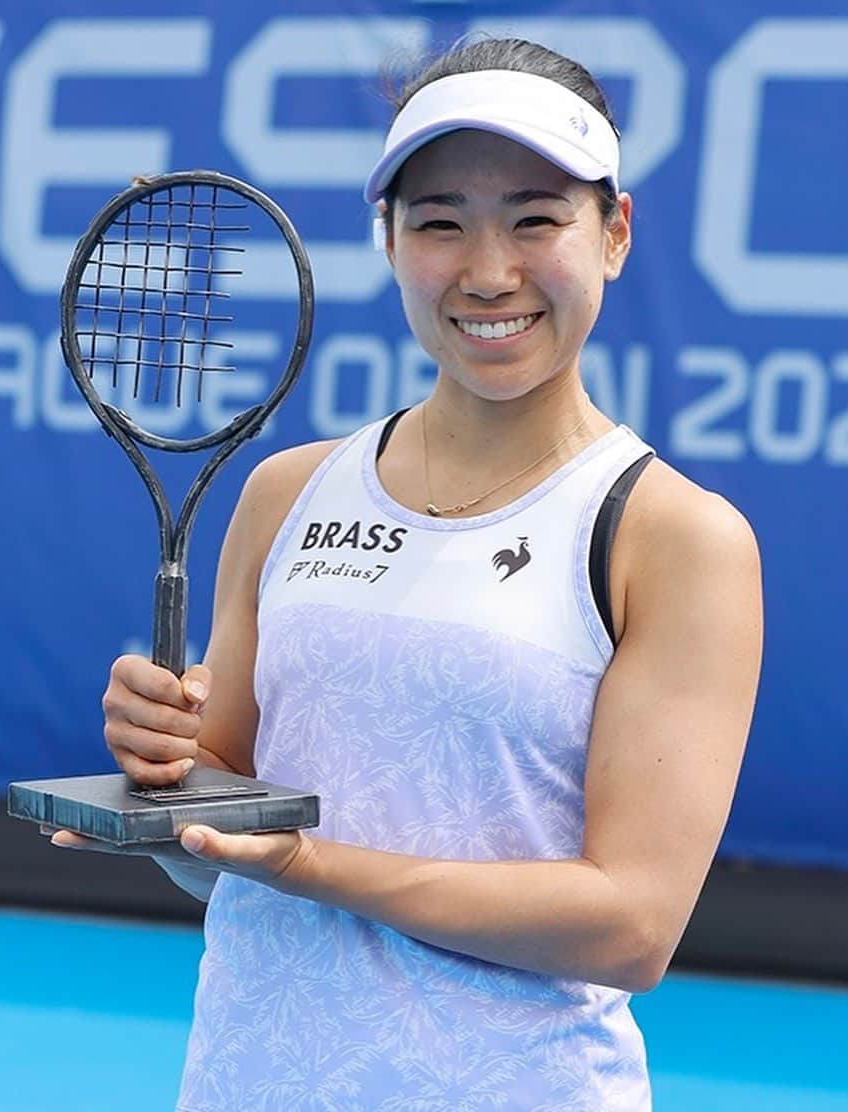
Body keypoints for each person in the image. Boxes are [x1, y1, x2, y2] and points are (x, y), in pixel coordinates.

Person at [53, 37, 763, 1110]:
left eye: (535, 217)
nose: (487, 271)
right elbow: (215, 852)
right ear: (386, 238)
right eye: (439, 221)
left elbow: (630, 925)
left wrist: (310, 864)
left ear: (613, 234)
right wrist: (163, 782)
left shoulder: (674, 538)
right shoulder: (285, 493)